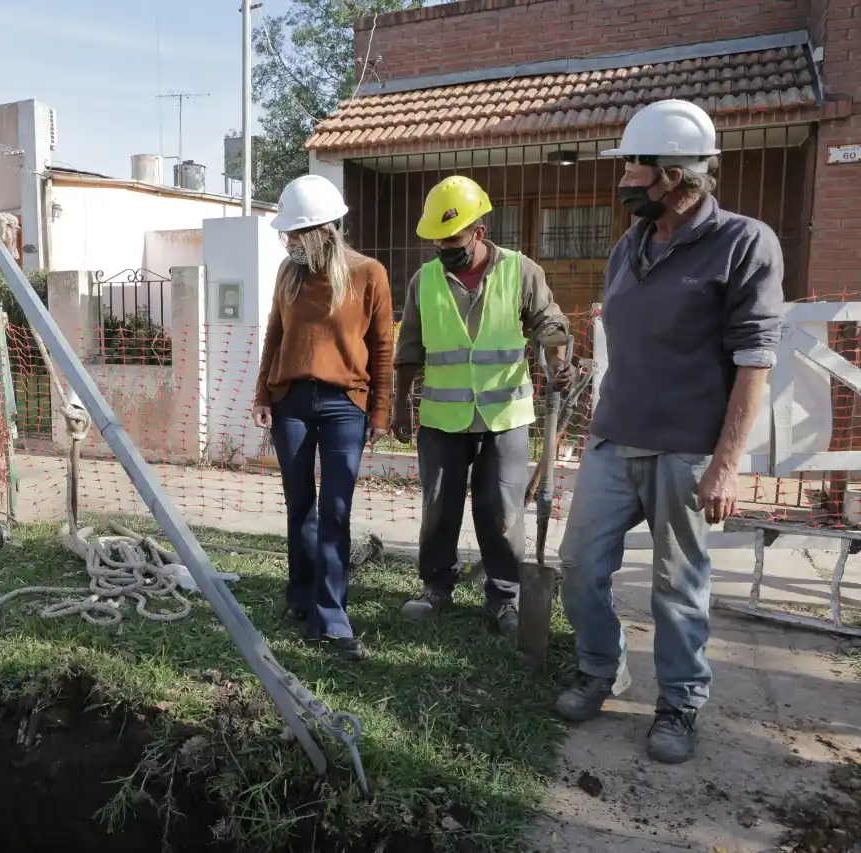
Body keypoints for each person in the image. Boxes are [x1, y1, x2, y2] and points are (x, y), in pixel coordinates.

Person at [555, 99, 785, 765]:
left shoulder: (745, 243)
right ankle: (602, 668)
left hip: (687, 450)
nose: (626, 179)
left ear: (679, 176)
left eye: (638, 167)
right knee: (578, 565)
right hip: (612, 437)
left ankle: (680, 701)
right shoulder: (629, 246)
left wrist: (726, 463)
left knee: (677, 585)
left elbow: (754, 361)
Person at [391, 176, 572, 637]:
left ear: (479, 233)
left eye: (453, 240)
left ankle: (504, 597)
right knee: (439, 507)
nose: (444, 248)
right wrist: (399, 405)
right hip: (442, 418)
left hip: (505, 415)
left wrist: (557, 361)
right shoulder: (423, 280)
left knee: (502, 511)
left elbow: (549, 322)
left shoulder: (521, 271)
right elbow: (409, 346)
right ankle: (436, 587)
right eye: (438, 241)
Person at [251, 174, 393, 662]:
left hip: (343, 406)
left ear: (323, 232)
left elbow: (382, 347)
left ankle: (331, 618)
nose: (287, 242)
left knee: (335, 511)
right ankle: (301, 596)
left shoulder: (368, 274)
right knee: (300, 507)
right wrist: (263, 395)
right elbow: (274, 335)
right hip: (290, 402)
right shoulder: (288, 276)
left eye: (294, 234)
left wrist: (379, 409)